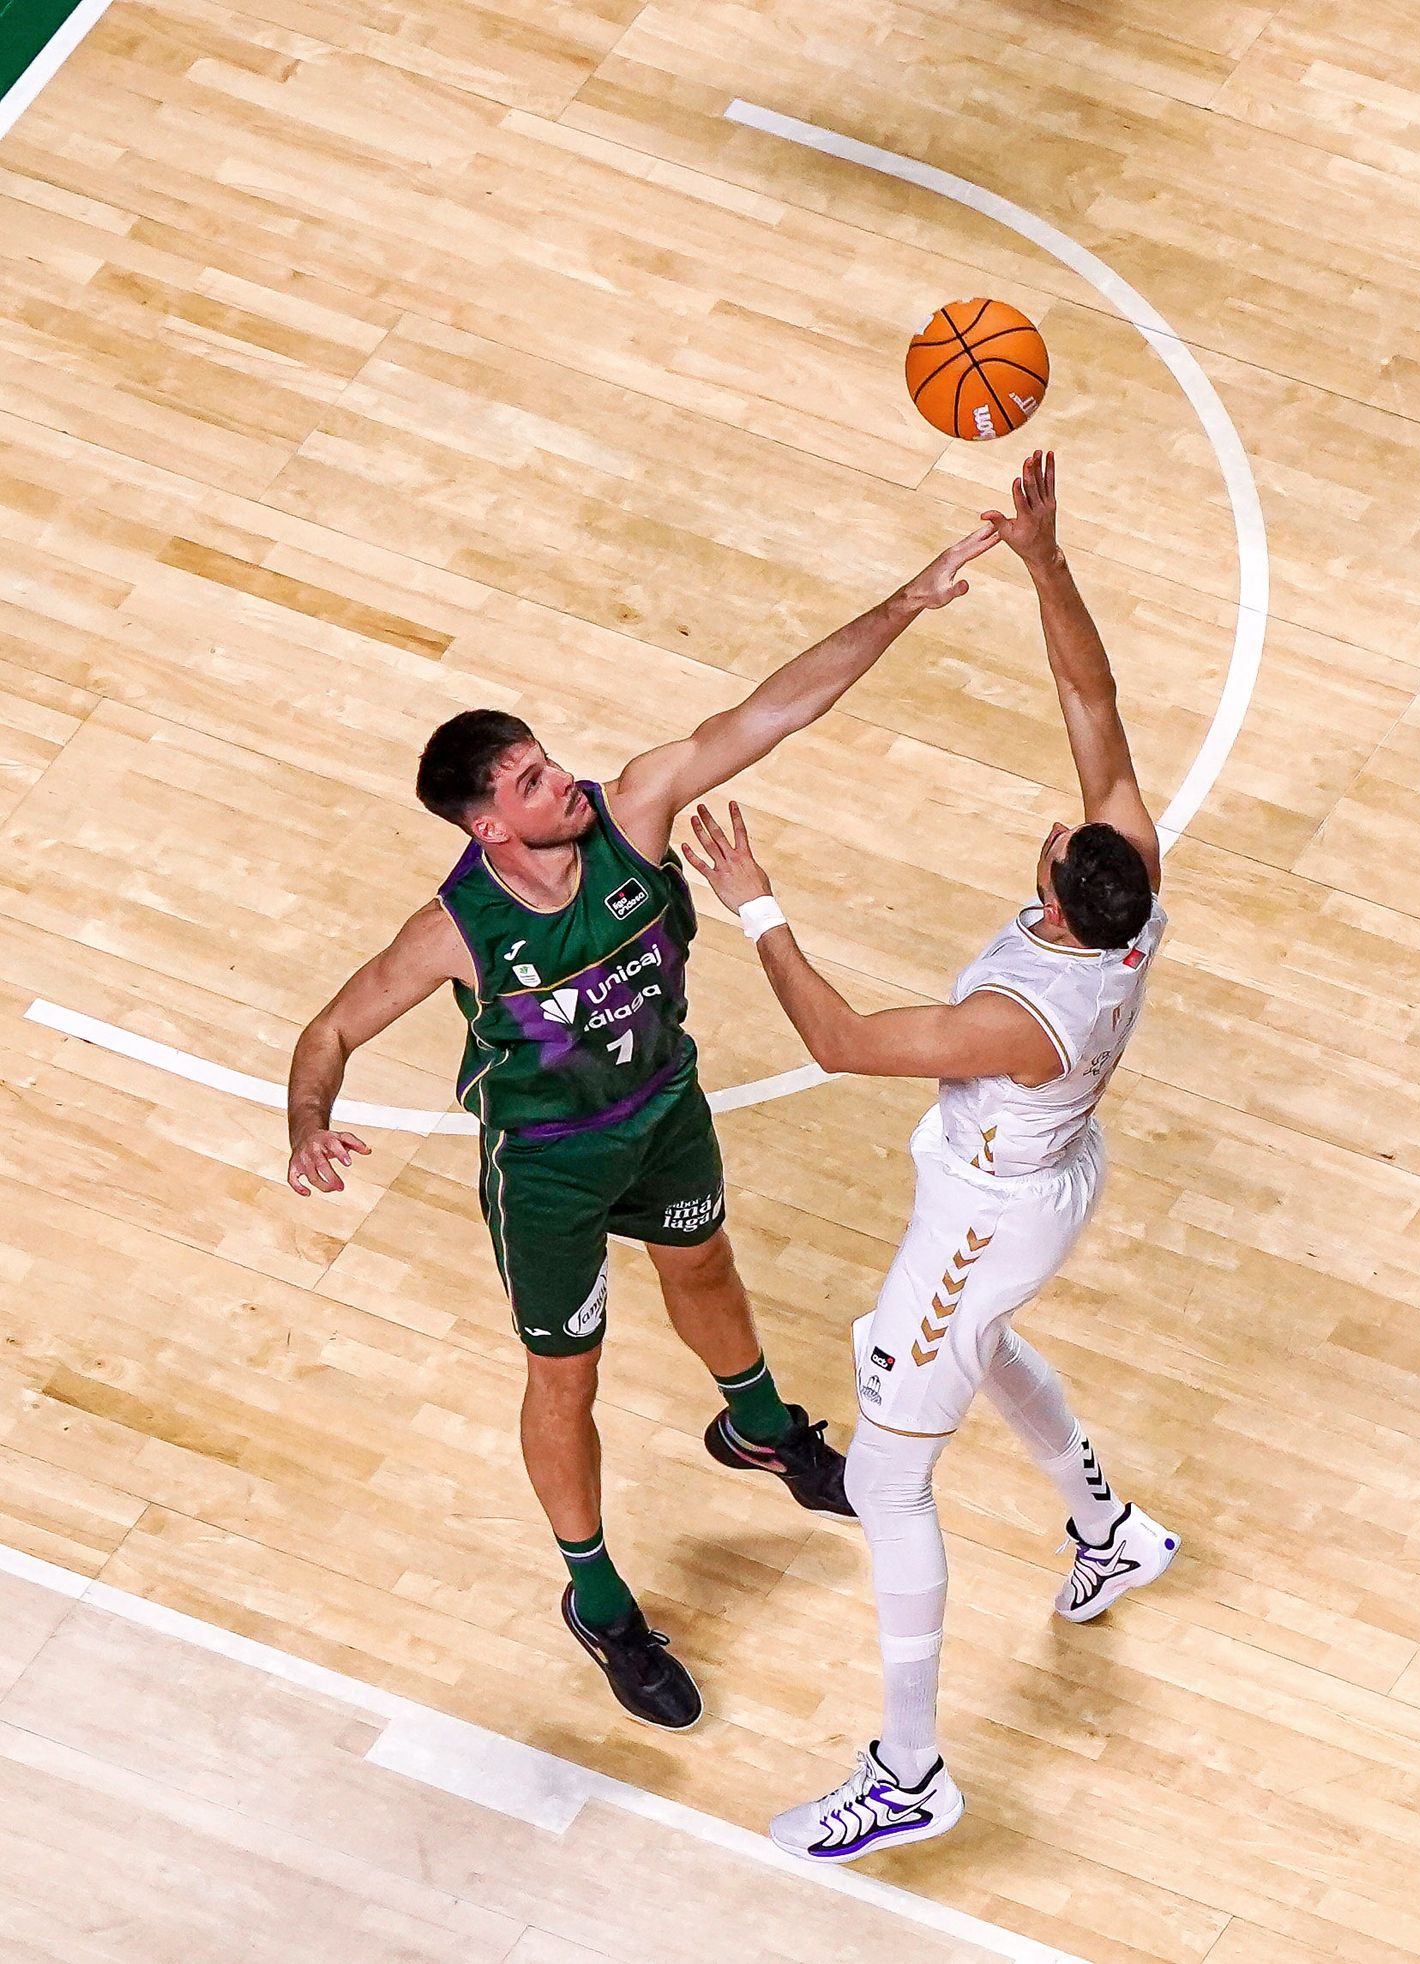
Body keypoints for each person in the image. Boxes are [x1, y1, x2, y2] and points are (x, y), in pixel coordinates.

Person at [283, 523, 998, 1732]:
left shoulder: (634, 813)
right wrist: (309, 1124)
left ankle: (760, 1429)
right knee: (567, 1378)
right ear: (487, 829)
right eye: (527, 782)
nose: (559, 778)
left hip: (663, 1109)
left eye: (546, 759)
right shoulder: (456, 927)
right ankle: (599, 1599)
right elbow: (329, 1029)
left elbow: (770, 714)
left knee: (705, 1263)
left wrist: (905, 604)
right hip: (550, 1170)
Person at [681, 451, 1178, 1860]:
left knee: (894, 1476)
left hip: (992, 1203)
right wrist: (1044, 558)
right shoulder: (1133, 885)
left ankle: (910, 1769)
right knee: (966, 1345)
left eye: (1055, 839)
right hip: (1035, 1186)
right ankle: (1108, 1531)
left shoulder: (1019, 1019)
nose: (1061, 816)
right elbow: (1098, 704)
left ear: (1062, 903)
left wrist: (756, 904)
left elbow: (838, 1039)